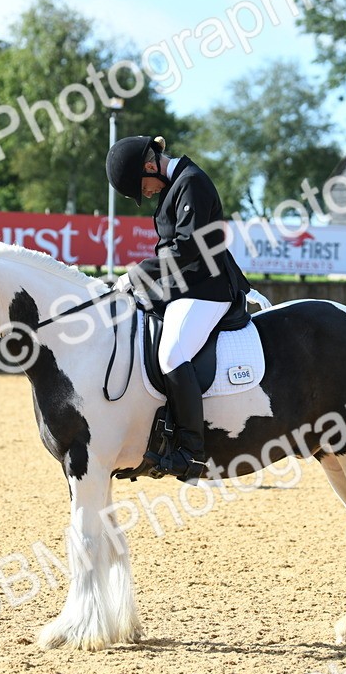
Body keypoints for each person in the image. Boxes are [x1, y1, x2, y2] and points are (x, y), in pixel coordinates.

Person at [105, 135, 251, 480]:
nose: (147, 195)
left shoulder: (192, 182)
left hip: (208, 289)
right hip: (182, 287)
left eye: (143, 188)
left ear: (150, 166)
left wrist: (138, 274)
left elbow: (187, 247)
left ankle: (191, 452)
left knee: (171, 354)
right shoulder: (175, 185)